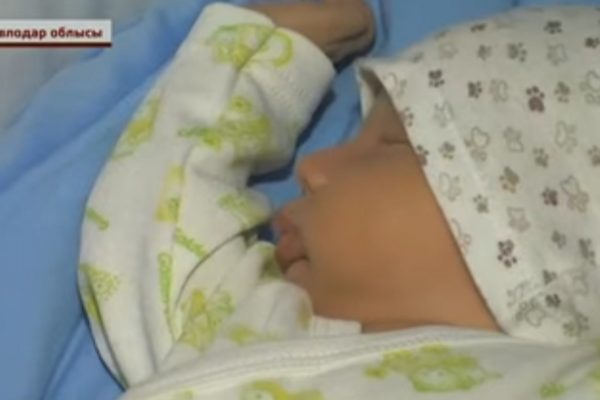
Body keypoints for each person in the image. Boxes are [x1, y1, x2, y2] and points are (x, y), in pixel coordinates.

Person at [79, 1, 600, 398]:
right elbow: (153, 234)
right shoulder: (259, 325)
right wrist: (265, 61)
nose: (311, 168)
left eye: (391, 144)